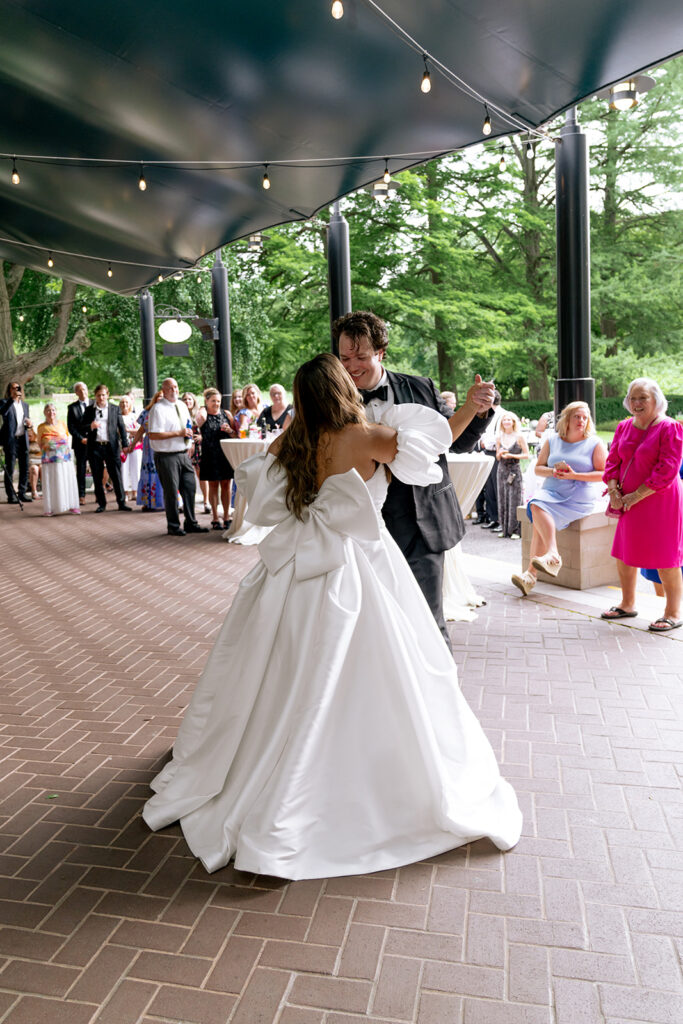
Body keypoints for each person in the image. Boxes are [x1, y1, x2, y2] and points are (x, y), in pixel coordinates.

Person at [142, 352, 522, 879]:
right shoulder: (368, 437)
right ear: (343, 388)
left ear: (302, 398)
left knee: (280, 667)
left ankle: (259, 765)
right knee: (379, 665)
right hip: (359, 566)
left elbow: (265, 490)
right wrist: (469, 409)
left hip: (292, 571)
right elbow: (439, 443)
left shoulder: (290, 441)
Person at [332, 310, 494, 650]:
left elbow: (456, 442)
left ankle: (440, 681)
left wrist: (477, 410)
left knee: (427, 619)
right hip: (361, 525)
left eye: (361, 357)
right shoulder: (332, 399)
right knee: (372, 621)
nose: (351, 367)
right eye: (345, 358)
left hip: (421, 521)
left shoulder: (421, 387)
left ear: (381, 352)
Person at [601, 378, 683, 632]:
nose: (637, 403)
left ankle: (673, 612)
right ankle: (627, 604)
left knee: (666, 556)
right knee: (625, 552)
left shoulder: (669, 427)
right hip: (626, 500)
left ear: (656, 400)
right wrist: (613, 491)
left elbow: (667, 469)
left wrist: (636, 495)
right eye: (633, 398)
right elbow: (612, 461)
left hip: (660, 501)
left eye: (643, 398)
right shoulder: (624, 426)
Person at [511, 401, 606, 596]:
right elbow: (538, 468)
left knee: (537, 509)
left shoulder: (594, 443)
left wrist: (575, 475)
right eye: (577, 417)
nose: (581, 421)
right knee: (537, 506)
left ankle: (535, 570)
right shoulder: (552, 440)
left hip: (578, 496)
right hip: (551, 491)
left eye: (585, 417)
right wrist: (553, 472)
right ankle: (543, 564)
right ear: (567, 419)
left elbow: (604, 473)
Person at [147, 378, 209, 537]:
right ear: (163, 390)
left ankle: (191, 522)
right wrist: (178, 433)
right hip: (166, 456)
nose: (174, 390)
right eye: (170, 388)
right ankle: (173, 525)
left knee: (189, 487)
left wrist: (190, 442)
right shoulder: (157, 409)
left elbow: (187, 427)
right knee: (171, 492)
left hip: (184, 453)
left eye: (176, 387)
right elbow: (153, 434)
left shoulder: (181, 405)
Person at [82, 385, 131, 513]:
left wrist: (125, 444)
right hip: (95, 446)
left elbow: (121, 428)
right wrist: (90, 426)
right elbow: (82, 427)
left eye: (103, 395)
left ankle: (121, 502)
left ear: (107, 395)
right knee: (97, 476)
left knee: (116, 475)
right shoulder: (89, 410)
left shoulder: (115, 409)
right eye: (98, 395)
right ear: (95, 396)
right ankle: (101, 504)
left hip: (111, 446)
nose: (101, 397)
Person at [196, 387, 235, 529]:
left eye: (218, 401)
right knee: (213, 485)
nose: (216, 404)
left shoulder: (227, 414)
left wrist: (229, 430)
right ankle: (215, 518)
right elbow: (198, 421)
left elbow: (235, 434)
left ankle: (226, 516)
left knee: (226, 484)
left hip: (225, 454)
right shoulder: (203, 413)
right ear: (206, 401)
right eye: (213, 401)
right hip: (210, 454)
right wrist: (202, 409)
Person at [36, 403, 80, 516]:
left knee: (66, 480)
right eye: (48, 410)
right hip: (49, 459)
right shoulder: (41, 427)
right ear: (44, 413)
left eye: (53, 410)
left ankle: (72, 505)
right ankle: (50, 508)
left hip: (64, 459)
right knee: (52, 482)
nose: (51, 413)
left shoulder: (62, 424)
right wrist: (50, 447)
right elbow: (40, 443)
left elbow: (67, 438)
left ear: (56, 412)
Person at [128, 391, 165, 511]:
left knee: (164, 473)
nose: (160, 399)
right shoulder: (147, 412)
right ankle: (149, 502)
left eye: (163, 397)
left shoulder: (169, 411)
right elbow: (141, 430)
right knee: (148, 473)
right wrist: (133, 444)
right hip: (149, 448)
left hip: (164, 445)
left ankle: (166, 502)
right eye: (159, 397)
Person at [495, 412, 528, 539]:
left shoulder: (519, 437)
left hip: (514, 470)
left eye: (509, 420)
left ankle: (516, 530)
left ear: (513, 422)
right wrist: (500, 454)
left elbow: (526, 455)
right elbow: (498, 457)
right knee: (502, 498)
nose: (506, 422)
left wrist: (512, 455)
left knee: (515, 499)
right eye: (504, 420)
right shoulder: (499, 437)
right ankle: (504, 529)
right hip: (502, 470)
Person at [473, 391, 504, 528]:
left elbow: (499, 435)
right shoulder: (488, 414)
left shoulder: (503, 415)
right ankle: (493, 518)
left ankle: (501, 520)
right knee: (489, 488)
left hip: (497, 453)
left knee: (497, 487)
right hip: (486, 452)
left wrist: (486, 443)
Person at [0, 381, 33, 503]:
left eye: (18, 388)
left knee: (24, 467)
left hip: (23, 439)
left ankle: (22, 493)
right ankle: (11, 496)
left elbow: (26, 421)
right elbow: (3, 412)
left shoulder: (25, 405)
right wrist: (12, 399)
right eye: (13, 388)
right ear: (9, 390)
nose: (16, 390)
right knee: (10, 468)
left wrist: (29, 424)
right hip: (11, 440)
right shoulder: (4, 402)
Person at [182, 391, 210, 515]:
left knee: (201, 475)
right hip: (184, 447)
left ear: (194, 401)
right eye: (185, 399)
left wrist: (202, 437)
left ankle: (206, 502)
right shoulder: (180, 414)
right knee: (186, 477)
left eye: (190, 399)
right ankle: (187, 503)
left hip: (198, 447)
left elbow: (208, 429)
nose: (187, 401)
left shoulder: (199, 414)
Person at [66, 382, 93, 506]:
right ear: (76, 393)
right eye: (80, 390)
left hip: (94, 442)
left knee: (97, 468)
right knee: (81, 470)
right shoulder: (72, 407)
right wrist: (81, 438)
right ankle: (81, 495)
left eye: (84, 389)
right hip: (80, 443)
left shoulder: (95, 404)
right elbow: (71, 427)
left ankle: (99, 494)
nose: (83, 392)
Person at [119, 395, 142, 503]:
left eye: (127, 402)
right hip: (122, 447)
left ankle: (135, 491)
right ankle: (125, 492)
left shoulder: (135, 416)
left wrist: (127, 430)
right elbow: (117, 432)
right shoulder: (118, 417)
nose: (125, 404)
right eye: (122, 402)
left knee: (136, 468)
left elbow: (140, 431)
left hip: (135, 445)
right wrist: (130, 431)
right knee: (124, 469)